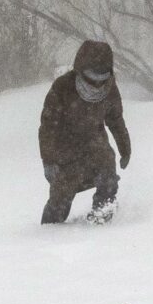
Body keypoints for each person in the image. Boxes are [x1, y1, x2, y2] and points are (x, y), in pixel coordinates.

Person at [38, 40, 131, 225]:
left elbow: (115, 119)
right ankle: (48, 232)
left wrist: (124, 148)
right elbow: (48, 127)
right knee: (61, 197)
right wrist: (48, 160)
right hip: (65, 149)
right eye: (91, 76)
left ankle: (103, 214)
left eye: (102, 77)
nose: (97, 83)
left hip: (96, 144)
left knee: (108, 176)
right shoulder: (62, 87)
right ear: (80, 70)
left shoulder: (110, 87)